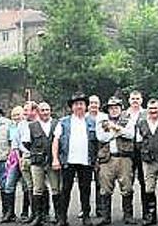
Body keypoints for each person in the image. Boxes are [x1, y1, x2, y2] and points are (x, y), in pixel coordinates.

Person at [53, 92, 98, 226]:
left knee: (86, 190)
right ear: (72, 107)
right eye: (76, 104)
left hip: (86, 161)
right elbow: (56, 141)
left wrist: (96, 160)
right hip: (68, 161)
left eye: (82, 104)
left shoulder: (92, 122)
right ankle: (62, 218)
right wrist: (55, 159)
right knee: (65, 190)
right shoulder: (63, 122)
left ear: (86, 106)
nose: (79, 106)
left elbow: (97, 142)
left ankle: (86, 216)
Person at [95, 97, 138, 225]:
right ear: (107, 110)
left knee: (127, 187)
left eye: (116, 107)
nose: (114, 110)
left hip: (124, 158)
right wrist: (118, 131)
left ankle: (128, 216)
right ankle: (105, 217)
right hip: (107, 159)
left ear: (120, 108)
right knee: (105, 189)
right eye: (111, 108)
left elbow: (131, 134)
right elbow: (101, 137)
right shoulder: (102, 121)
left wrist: (114, 128)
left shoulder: (128, 119)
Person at [22, 101, 58, 226]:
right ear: (38, 112)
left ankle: (58, 216)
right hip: (37, 162)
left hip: (53, 161)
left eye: (47, 110)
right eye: (42, 110)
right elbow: (26, 143)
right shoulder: (31, 126)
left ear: (50, 110)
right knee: (37, 189)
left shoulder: (56, 124)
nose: (45, 112)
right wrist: (37, 151)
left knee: (55, 188)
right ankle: (38, 216)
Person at [3, 105, 27, 223]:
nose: (17, 117)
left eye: (19, 114)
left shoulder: (27, 125)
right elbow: (12, 145)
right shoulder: (11, 127)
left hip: (25, 157)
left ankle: (25, 212)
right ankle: (10, 212)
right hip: (14, 160)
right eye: (14, 115)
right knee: (9, 185)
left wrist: (22, 159)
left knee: (27, 186)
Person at [88, 95, 103, 219]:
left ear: (99, 104)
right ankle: (85, 209)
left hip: (101, 154)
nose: (94, 105)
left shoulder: (104, 117)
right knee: (85, 184)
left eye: (96, 103)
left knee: (100, 184)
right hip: (87, 155)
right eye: (91, 102)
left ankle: (100, 209)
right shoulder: (84, 118)